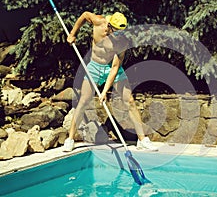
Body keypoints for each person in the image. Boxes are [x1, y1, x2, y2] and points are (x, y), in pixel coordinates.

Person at [63, 11, 158, 152]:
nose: (119, 35)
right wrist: (73, 33)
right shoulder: (98, 22)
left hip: (111, 68)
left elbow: (114, 68)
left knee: (130, 101)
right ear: (109, 26)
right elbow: (84, 15)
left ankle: (142, 140)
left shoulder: (122, 42)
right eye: (117, 31)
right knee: (83, 101)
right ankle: (70, 139)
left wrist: (104, 91)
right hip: (94, 67)